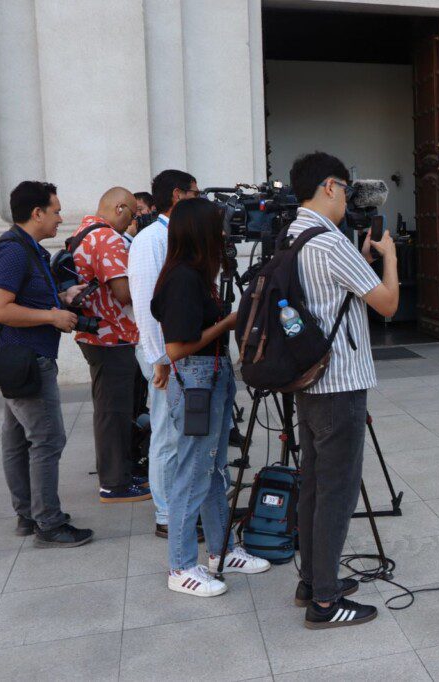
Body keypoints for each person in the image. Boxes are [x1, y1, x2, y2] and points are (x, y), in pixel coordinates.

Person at [287, 152, 399, 629]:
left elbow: (335, 291)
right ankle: (326, 603)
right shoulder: (331, 242)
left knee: (315, 484)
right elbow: (388, 305)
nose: (348, 198)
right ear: (330, 186)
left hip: (309, 380)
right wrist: (389, 258)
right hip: (340, 384)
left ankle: (313, 581)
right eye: (346, 188)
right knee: (337, 491)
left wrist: (364, 259)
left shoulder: (292, 233)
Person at [150, 198, 270, 596]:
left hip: (209, 378)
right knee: (193, 473)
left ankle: (221, 551)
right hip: (198, 381)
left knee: (215, 468)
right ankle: (181, 566)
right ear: (200, 233)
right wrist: (228, 324)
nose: (223, 234)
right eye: (217, 227)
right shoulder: (183, 278)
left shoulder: (192, 275)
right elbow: (177, 347)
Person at [0, 181, 93, 546]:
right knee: (47, 440)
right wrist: (51, 317)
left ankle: (28, 516)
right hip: (27, 360)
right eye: (56, 210)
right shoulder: (14, 251)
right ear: (37, 213)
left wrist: (62, 297)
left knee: (17, 440)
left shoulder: (27, 248)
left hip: (21, 359)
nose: (61, 218)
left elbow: (22, 297)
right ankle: (48, 523)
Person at [129, 170, 199, 537]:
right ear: (177, 195)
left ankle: (182, 504)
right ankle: (166, 515)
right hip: (164, 356)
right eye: (194, 193)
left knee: (182, 431)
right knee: (167, 433)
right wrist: (161, 360)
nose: (200, 200)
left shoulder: (176, 237)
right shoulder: (150, 240)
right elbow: (145, 305)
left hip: (180, 353)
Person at [72, 187, 152, 503]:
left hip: (97, 334)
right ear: (120, 208)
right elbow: (123, 293)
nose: (133, 221)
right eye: (132, 214)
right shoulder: (106, 238)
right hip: (111, 336)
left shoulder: (84, 230)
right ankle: (114, 483)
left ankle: (121, 472)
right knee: (113, 411)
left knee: (113, 408)